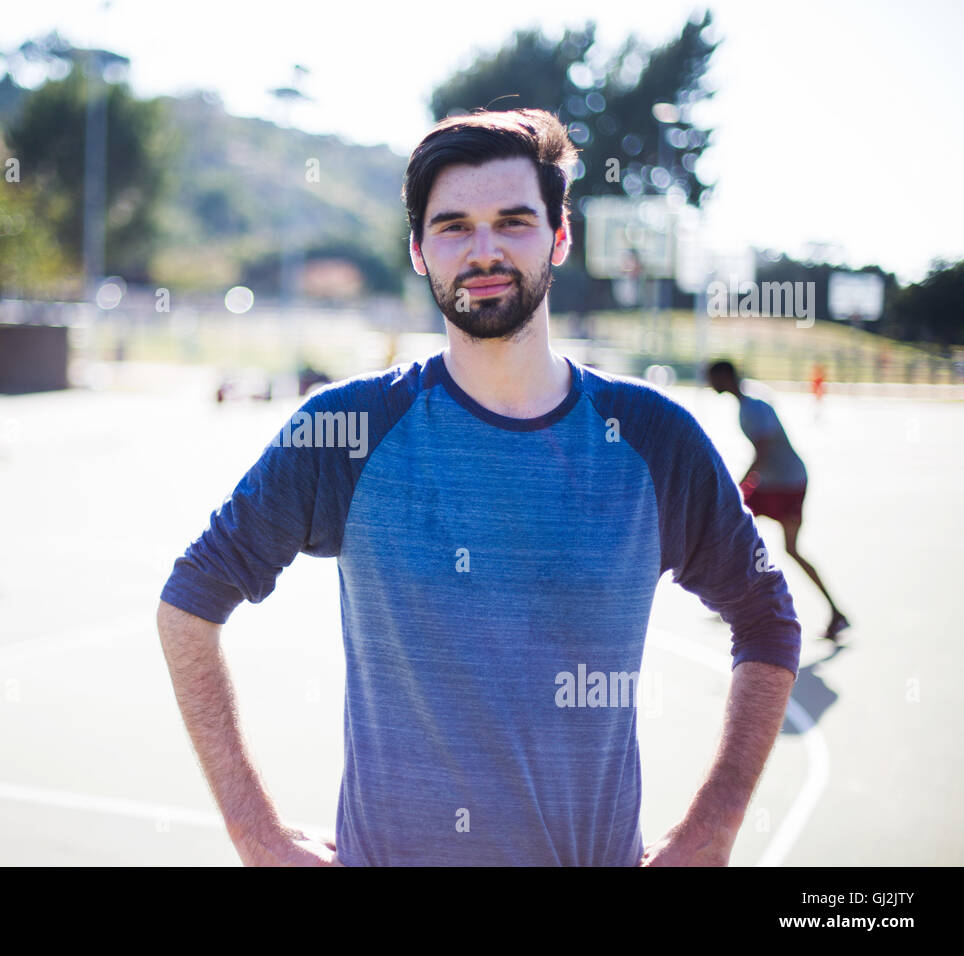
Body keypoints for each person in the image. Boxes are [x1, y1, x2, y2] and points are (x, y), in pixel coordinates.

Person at [157, 109, 803, 867]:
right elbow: (189, 603)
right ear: (419, 250)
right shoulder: (348, 429)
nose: (484, 249)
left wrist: (711, 832)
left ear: (560, 237)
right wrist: (258, 838)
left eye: (513, 221)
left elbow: (767, 621)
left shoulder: (654, 439)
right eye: (454, 226)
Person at [707, 359, 850, 641]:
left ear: (725, 377)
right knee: (733, 528)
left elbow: (764, 450)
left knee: (790, 549)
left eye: (712, 377)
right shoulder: (747, 405)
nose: (709, 383)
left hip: (788, 484)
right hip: (772, 482)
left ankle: (836, 612)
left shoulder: (753, 408)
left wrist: (739, 485)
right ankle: (735, 599)